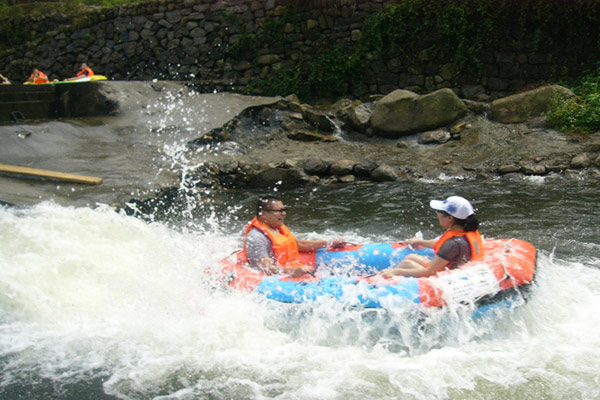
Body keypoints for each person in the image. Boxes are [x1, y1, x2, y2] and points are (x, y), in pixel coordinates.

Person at [379, 195, 484, 278]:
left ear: (450, 218)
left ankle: (388, 284)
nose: (437, 213)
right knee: (410, 257)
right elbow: (442, 245)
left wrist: (394, 272)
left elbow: (429, 272)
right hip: (457, 270)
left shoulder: (453, 244)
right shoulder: (464, 230)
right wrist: (419, 242)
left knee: (407, 263)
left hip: (446, 277)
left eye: (439, 211)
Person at [241, 196, 346, 277]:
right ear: (263, 213)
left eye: (284, 210)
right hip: (275, 279)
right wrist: (291, 271)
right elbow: (266, 269)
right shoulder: (257, 238)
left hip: (291, 267)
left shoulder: (275, 227)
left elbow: (298, 244)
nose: (284, 214)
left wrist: (329, 243)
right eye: (279, 211)